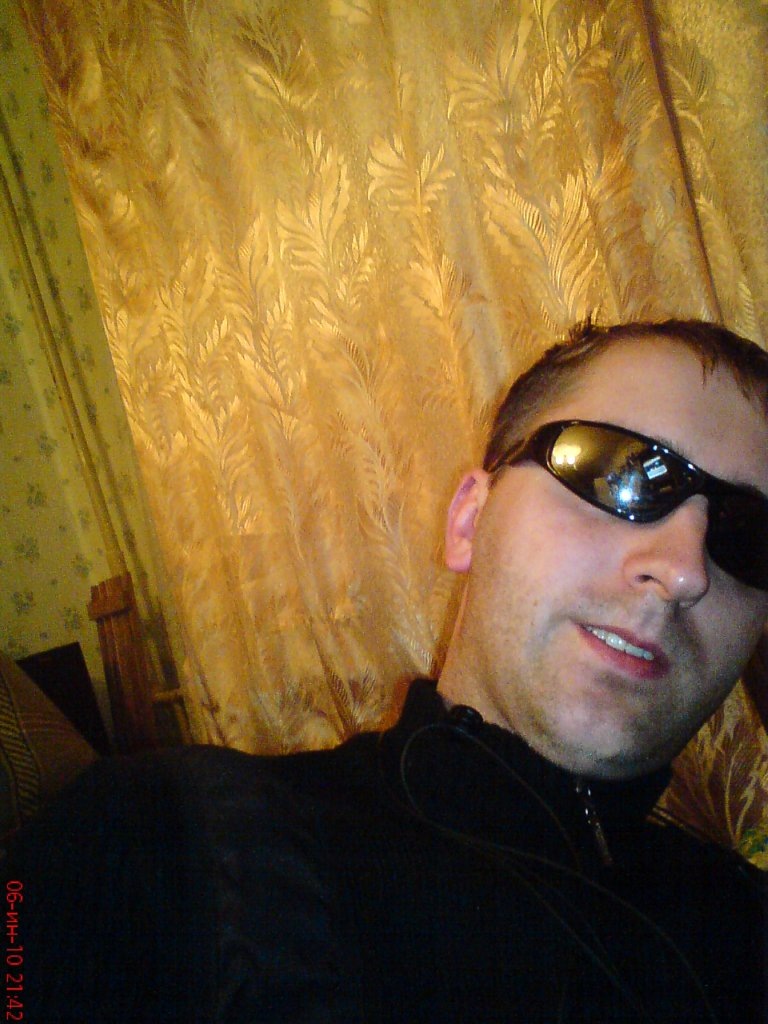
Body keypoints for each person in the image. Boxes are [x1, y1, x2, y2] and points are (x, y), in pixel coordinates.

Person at [5, 319, 768, 1023]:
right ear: (469, 521)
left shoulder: (741, 927)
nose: (684, 571)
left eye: (748, 535)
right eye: (621, 473)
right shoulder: (159, 843)